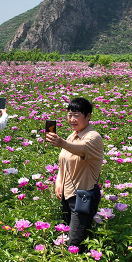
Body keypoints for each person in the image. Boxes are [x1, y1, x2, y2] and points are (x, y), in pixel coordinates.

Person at [45, 97, 104, 249]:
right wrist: (58, 181)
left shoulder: (93, 137)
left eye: (76, 114)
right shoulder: (73, 135)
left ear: (88, 115)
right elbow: (63, 162)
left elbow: (82, 149)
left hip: (83, 195)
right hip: (68, 194)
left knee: (74, 241)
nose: (72, 119)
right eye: (69, 114)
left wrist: (62, 143)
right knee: (67, 235)